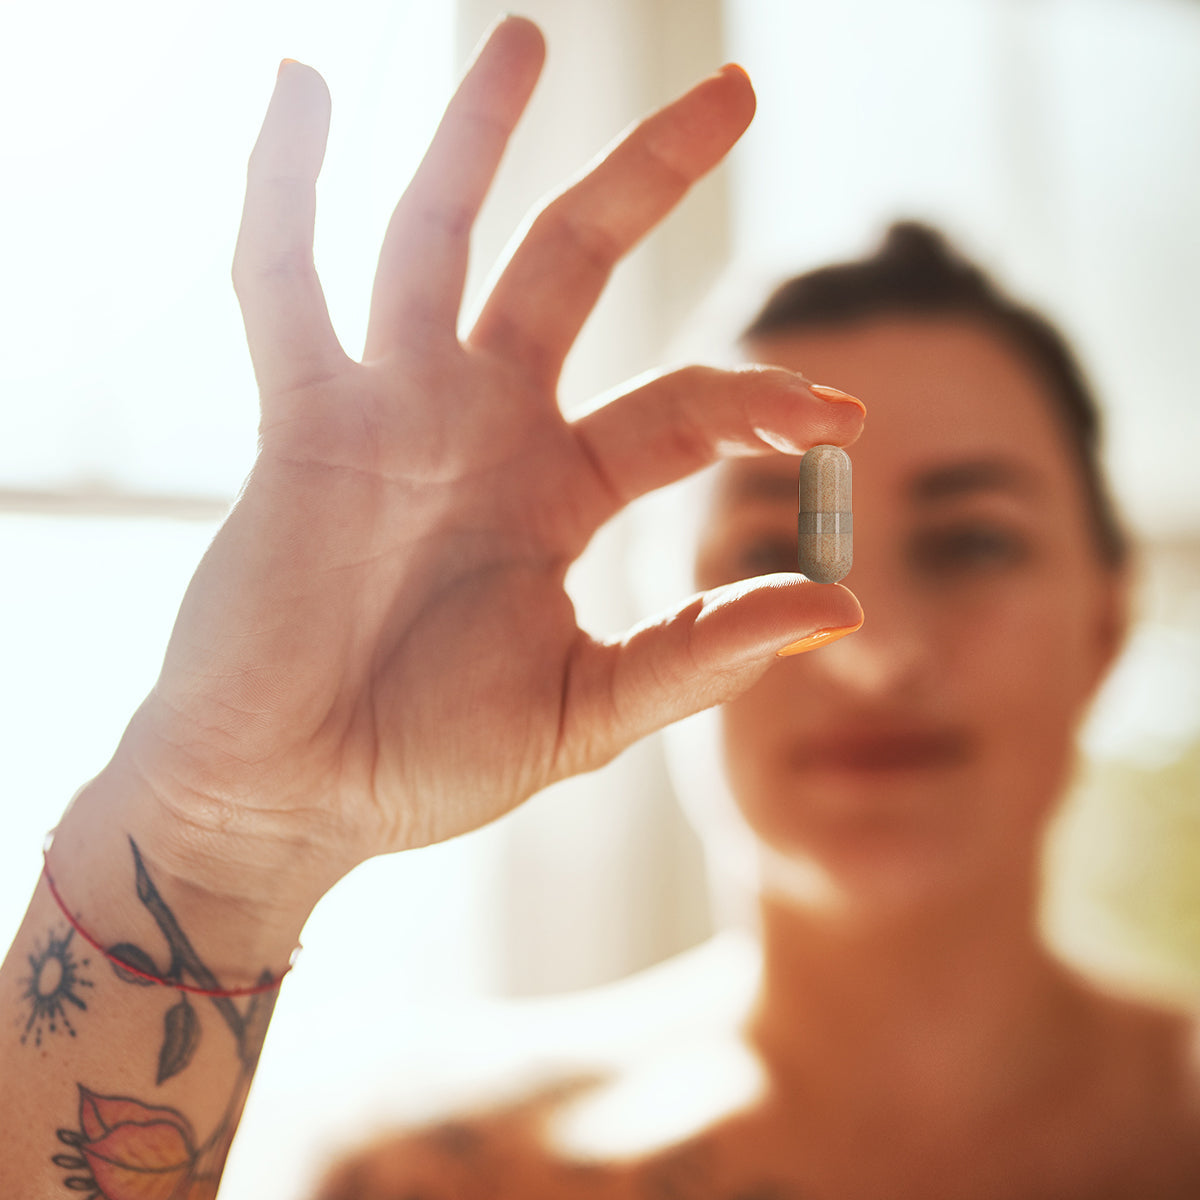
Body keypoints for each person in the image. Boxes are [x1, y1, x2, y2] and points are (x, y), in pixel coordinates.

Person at [0, 14, 1195, 1199]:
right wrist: (220, 848)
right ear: (656, 609)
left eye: (974, 542)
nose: (867, 659)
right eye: (769, 552)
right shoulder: (430, 1176)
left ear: (1106, 620)